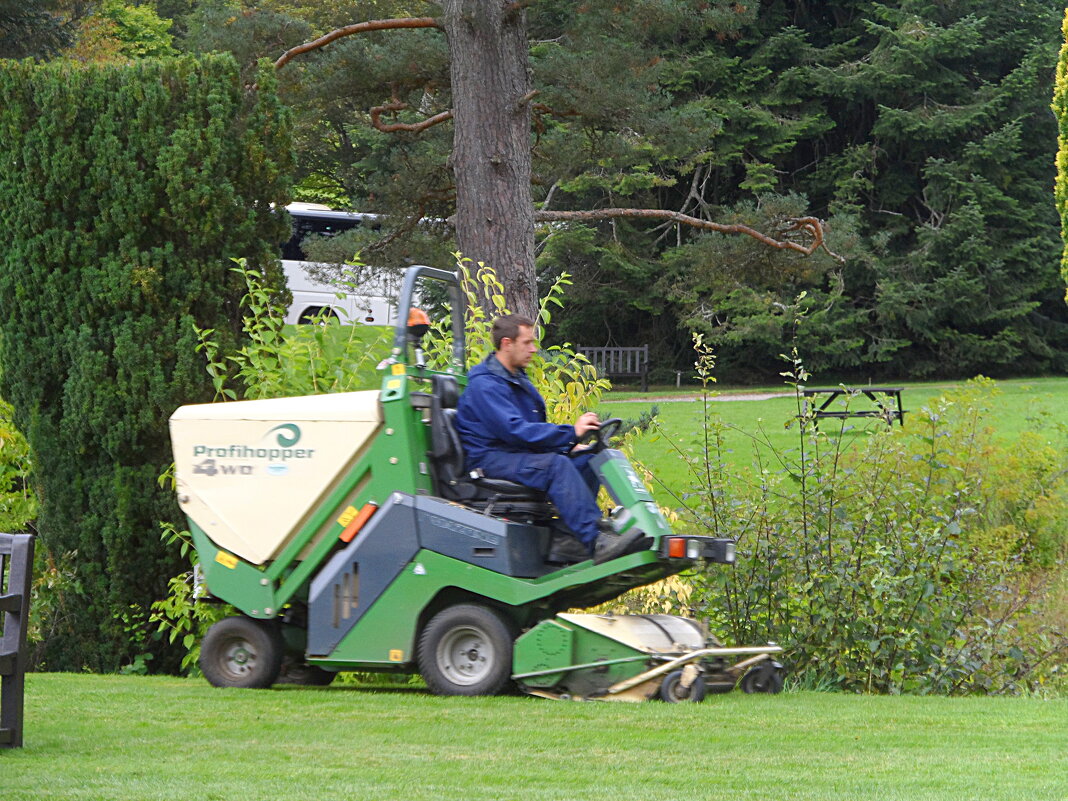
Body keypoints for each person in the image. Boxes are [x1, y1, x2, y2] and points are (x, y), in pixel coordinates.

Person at [454, 314, 644, 564]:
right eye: (527, 342)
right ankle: (595, 539)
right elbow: (515, 430)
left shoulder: (515, 377)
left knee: (587, 459)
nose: (534, 349)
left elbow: (531, 429)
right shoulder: (485, 386)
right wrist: (570, 433)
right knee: (556, 466)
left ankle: (568, 541)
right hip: (489, 460)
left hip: (513, 454)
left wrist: (571, 445)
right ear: (507, 343)